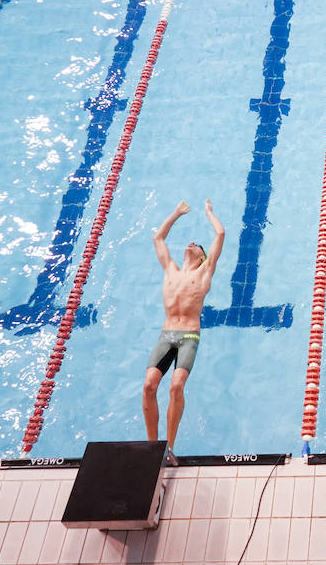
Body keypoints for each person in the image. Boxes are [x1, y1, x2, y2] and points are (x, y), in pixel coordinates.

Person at [142, 199, 224, 464]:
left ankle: (169, 448)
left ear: (202, 257)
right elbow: (158, 238)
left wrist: (209, 213)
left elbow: (220, 234)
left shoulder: (204, 273)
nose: (191, 243)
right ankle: (152, 447)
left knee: (176, 388)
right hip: (166, 336)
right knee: (148, 387)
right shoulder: (170, 270)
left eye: (197, 245)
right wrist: (176, 213)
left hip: (189, 336)